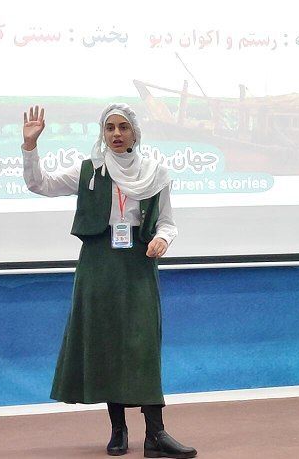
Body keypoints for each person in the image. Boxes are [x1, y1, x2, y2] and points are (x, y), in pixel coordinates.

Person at [21, 104, 196, 458]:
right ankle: (118, 430)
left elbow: (167, 222)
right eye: (110, 127)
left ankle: (156, 434)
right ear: (103, 133)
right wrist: (30, 146)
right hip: (98, 266)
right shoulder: (89, 170)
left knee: (143, 346)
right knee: (107, 344)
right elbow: (39, 184)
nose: (116, 134)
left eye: (123, 127)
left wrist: (163, 239)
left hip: (138, 265)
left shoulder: (156, 173)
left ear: (135, 133)